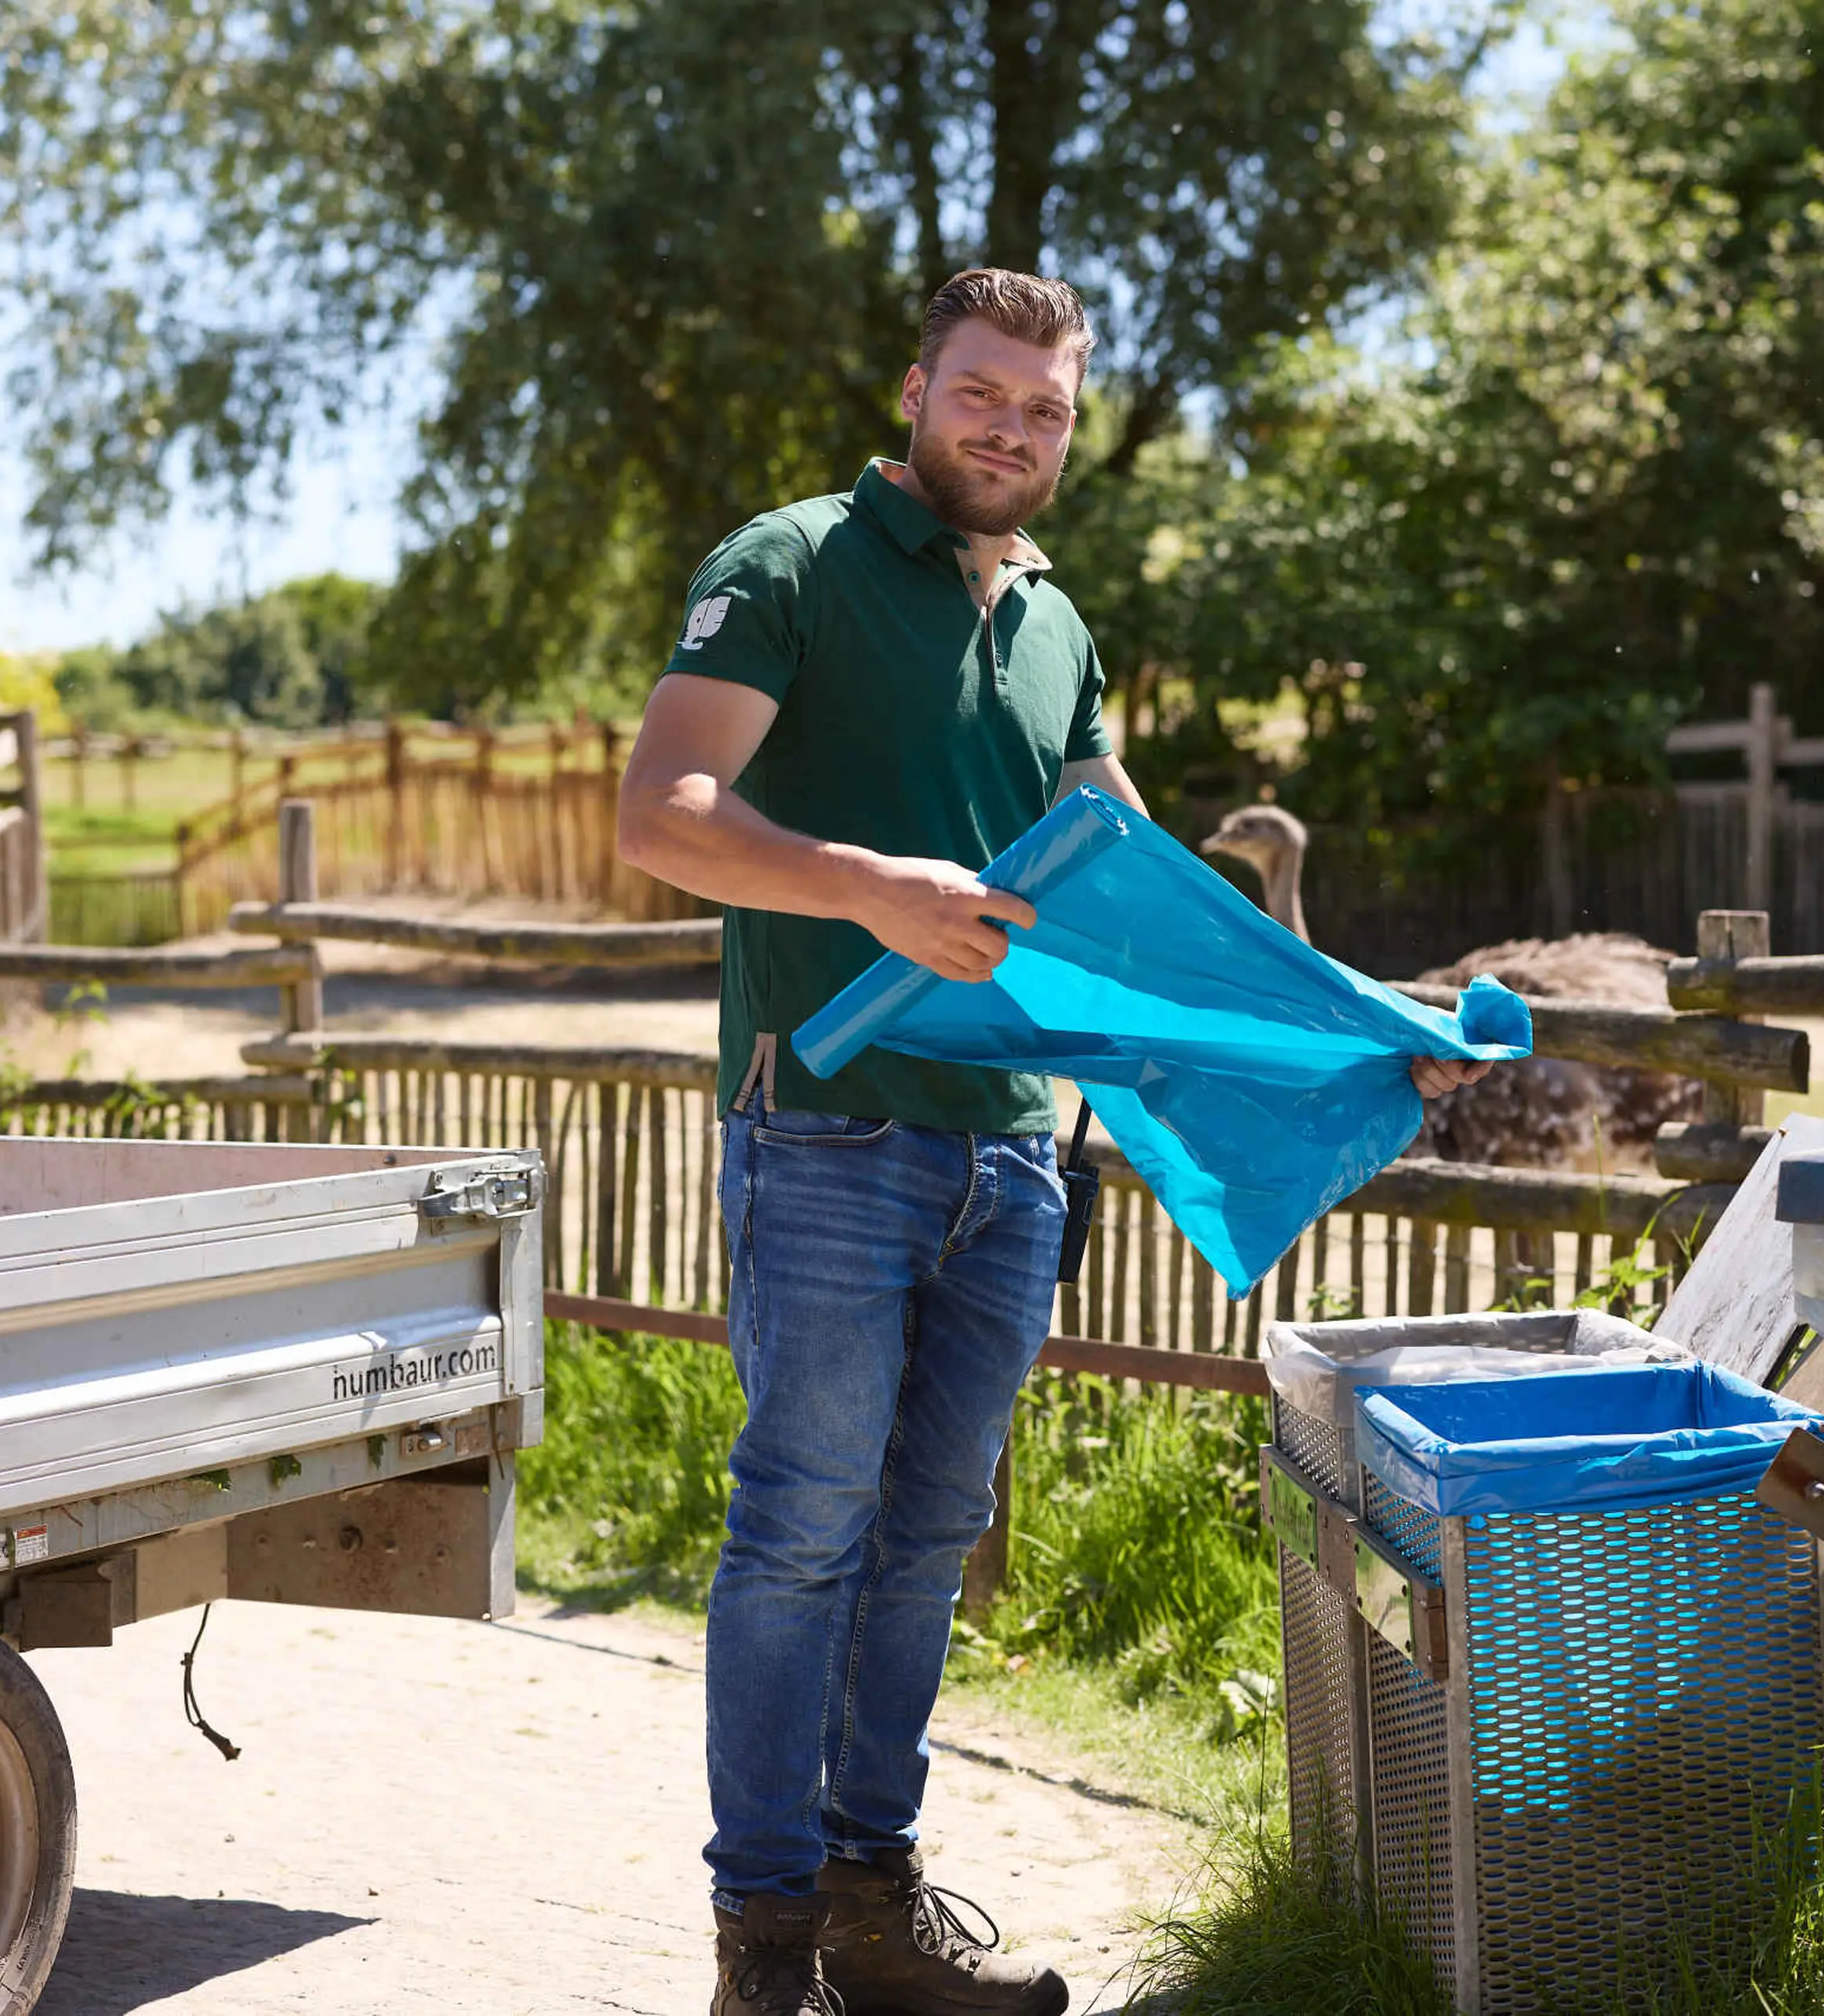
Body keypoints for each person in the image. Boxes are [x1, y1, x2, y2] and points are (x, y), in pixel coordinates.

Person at [618, 268, 1491, 2016]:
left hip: (1017, 1157)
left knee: (930, 1538)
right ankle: (764, 1951)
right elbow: (666, 817)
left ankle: (876, 1912)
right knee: (801, 1532)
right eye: (983, 393)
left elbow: (1147, 896)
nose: (1012, 429)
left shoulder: (1058, 627)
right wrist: (877, 893)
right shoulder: (786, 566)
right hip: (833, 1133)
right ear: (919, 387)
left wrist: (1363, 1021)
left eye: (1047, 409)